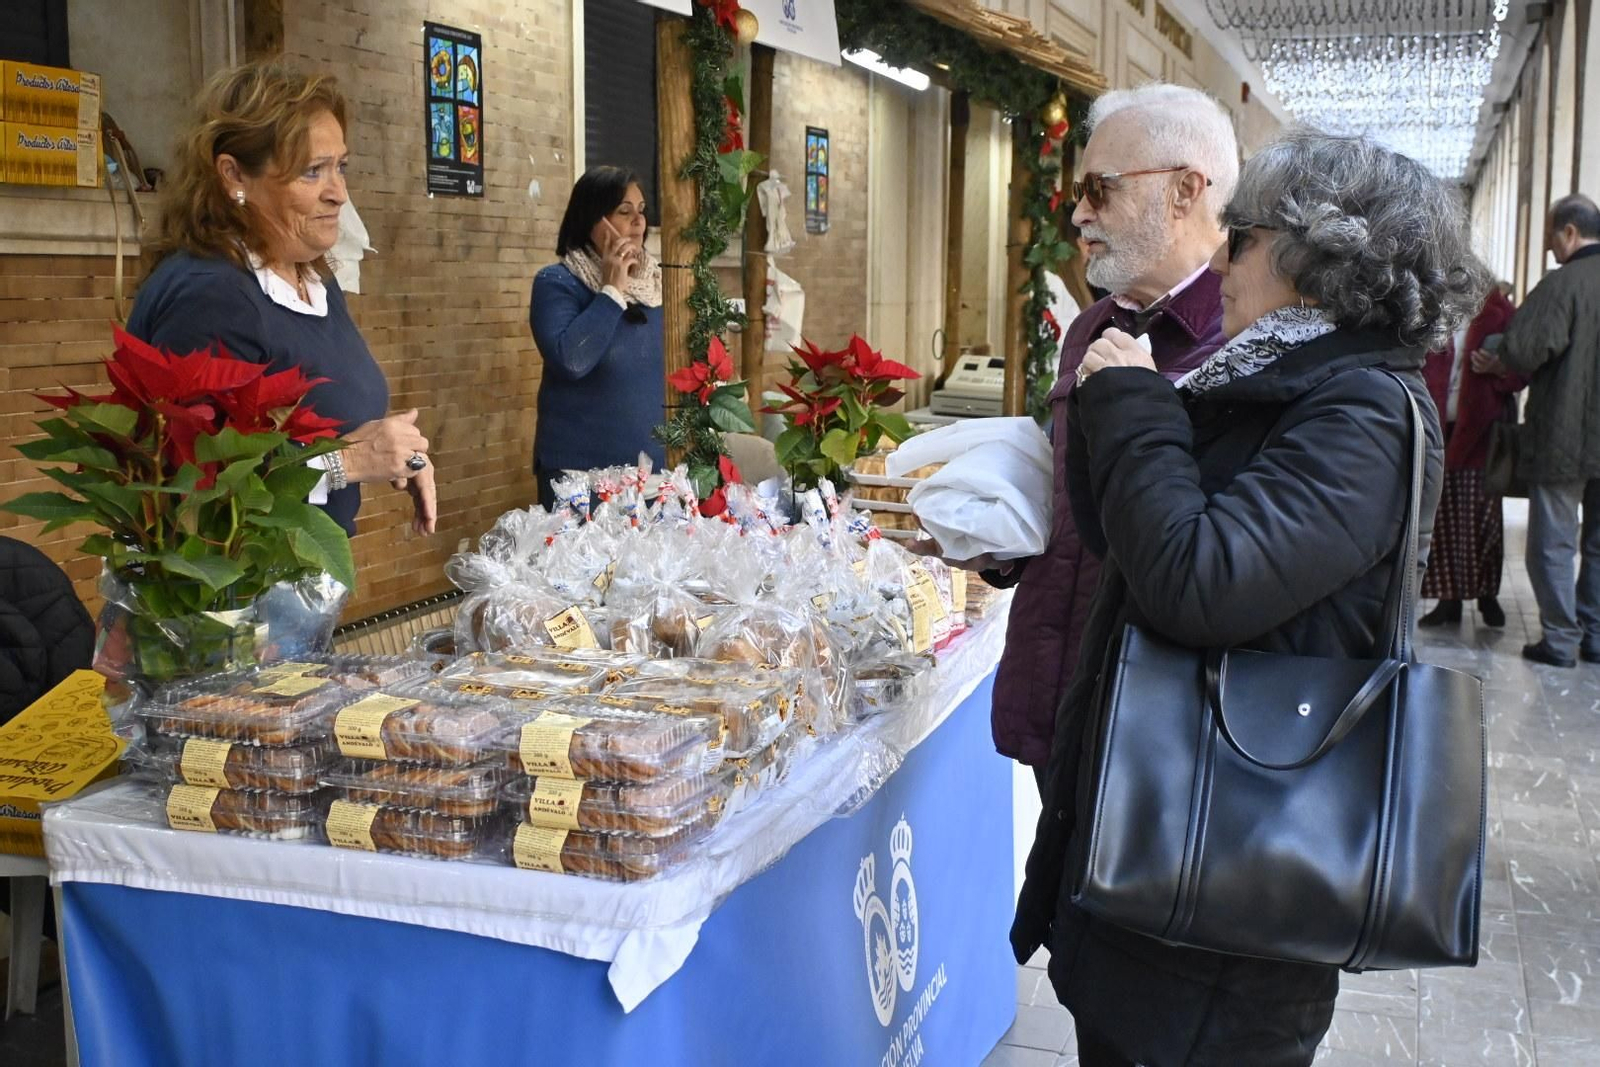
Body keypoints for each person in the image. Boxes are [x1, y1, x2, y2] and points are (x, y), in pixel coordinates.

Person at [1013, 129, 1484, 1065]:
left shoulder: (1361, 412)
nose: (1223, 259)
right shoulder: (1267, 377)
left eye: (1244, 237)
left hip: (1229, 899)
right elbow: (1128, 544)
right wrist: (1112, 407)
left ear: (1318, 257)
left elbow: (1199, 582)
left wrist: (1137, 404)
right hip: (1166, 859)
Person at [971, 84, 1240, 786]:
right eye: (1078, 190)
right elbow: (1075, 509)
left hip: (1161, 723)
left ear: (1185, 191)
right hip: (1059, 693)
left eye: (1101, 188)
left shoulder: (1242, 339)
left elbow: (1222, 556)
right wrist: (1000, 537)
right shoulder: (1093, 326)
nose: (1078, 213)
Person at [127, 61, 435, 539]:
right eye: (312, 172)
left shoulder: (311, 278)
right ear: (234, 176)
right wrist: (352, 460)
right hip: (228, 584)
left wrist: (396, 450)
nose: (339, 194)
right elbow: (194, 486)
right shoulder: (212, 294)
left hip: (302, 574)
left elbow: (321, 427)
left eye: (340, 167)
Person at [1493, 195, 1600, 667]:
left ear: (1570, 233)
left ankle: (1559, 640)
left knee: (1553, 542)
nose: (1549, 248)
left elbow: (1523, 349)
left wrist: (1498, 347)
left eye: (1551, 236)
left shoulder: (1563, 284)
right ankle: (1595, 636)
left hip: (1564, 437)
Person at [529, 167, 667, 505]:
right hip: (578, 480)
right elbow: (571, 360)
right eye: (624, 211)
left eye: (642, 210)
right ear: (594, 221)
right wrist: (611, 291)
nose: (639, 221)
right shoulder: (557, 283)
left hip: (650, 477)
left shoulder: (655, 287)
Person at [1418, 282, 1522, 627]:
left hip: (1482, 431)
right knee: (1443, 518)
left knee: (1483, 517)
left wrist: (1500, 369)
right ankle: (1448, 600)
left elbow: (1525, 366)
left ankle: (1486, 594)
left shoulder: (1499, 311)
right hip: (1440, 428)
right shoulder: (1434, 310)